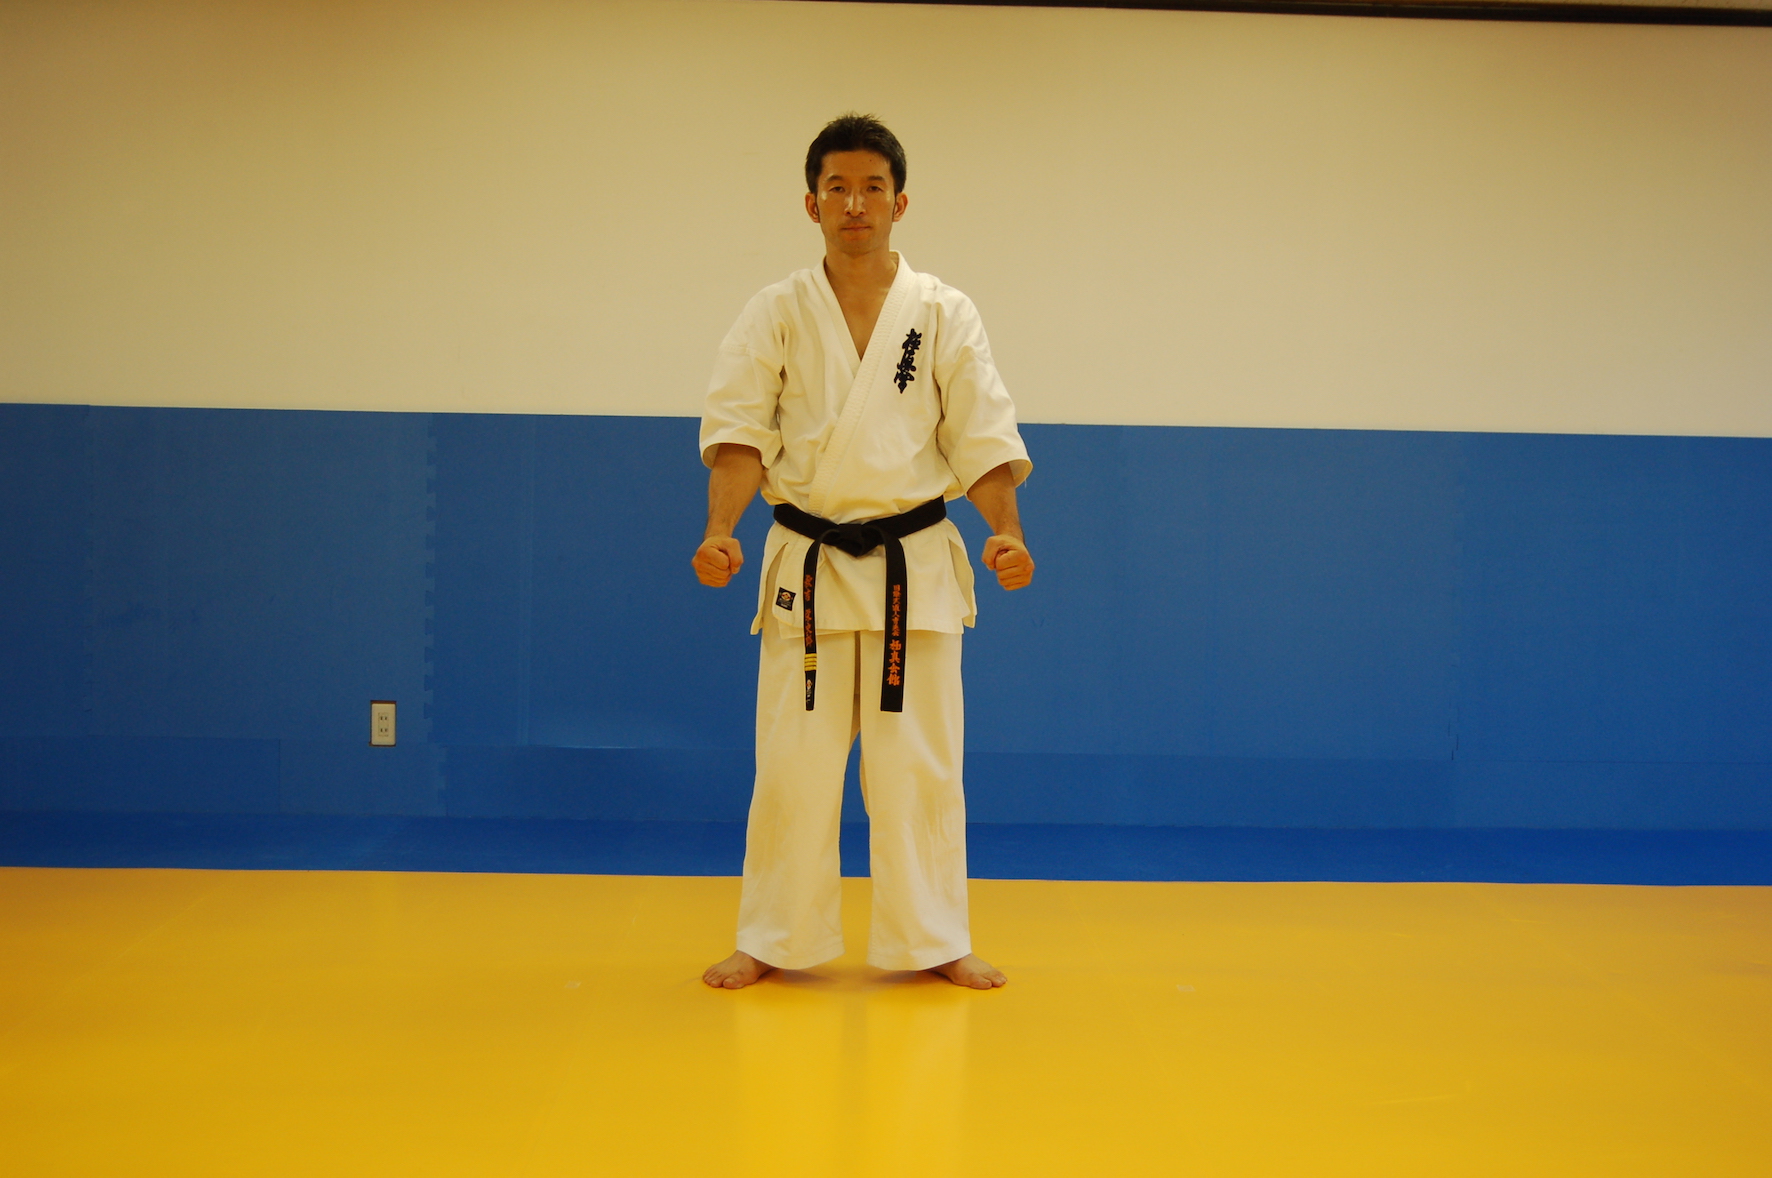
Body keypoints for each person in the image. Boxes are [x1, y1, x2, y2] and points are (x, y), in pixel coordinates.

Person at [694, 114, 1033, 990]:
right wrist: (720, 532)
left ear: (899, 203)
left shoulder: (942, 313)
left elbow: (981, 435)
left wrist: (1006, 533)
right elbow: (741, 434)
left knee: (920, 770)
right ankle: (773, 937)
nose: (855, 204)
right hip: (806, 568)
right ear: (811, 204)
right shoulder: (774, 312)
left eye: (872, 188)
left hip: (912, 567)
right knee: (792, 770)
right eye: (837, 188)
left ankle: (934, 939)